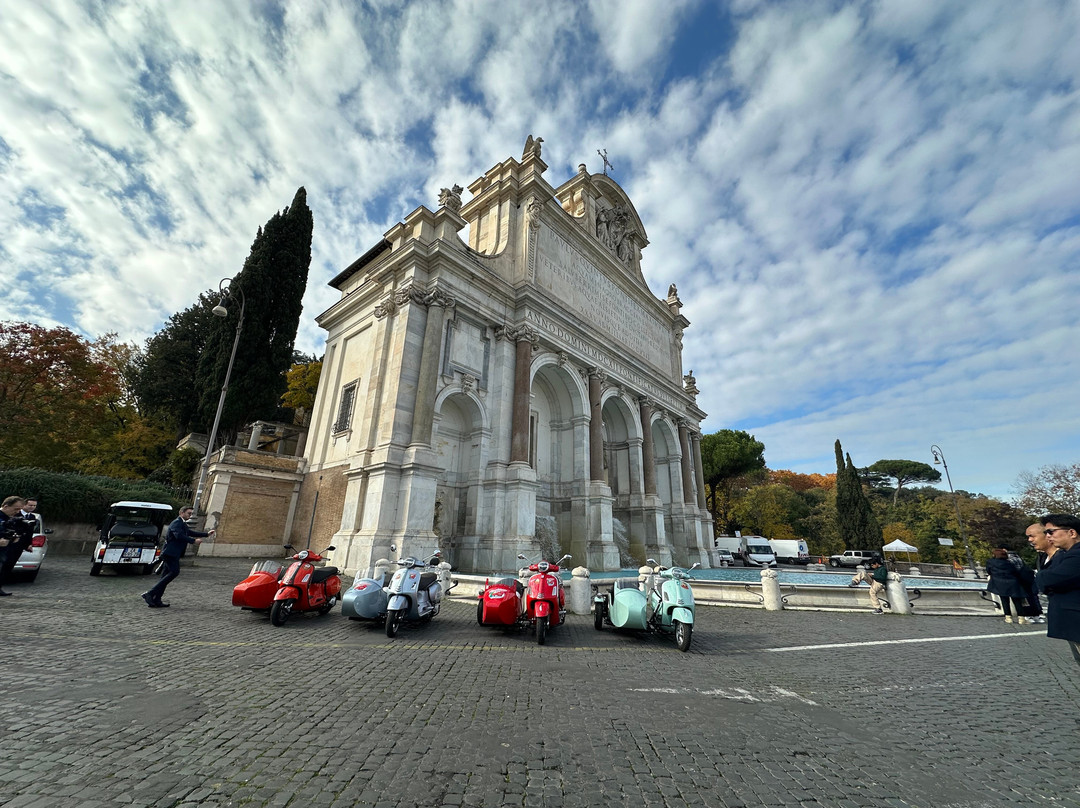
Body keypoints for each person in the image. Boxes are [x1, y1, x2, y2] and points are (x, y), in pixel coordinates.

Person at [140, 506, 214, 608]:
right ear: (181, 513)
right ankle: (150, 593)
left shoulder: (182, 523)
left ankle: (156, 599)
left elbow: (190, 532)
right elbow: (178, 535)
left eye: (191, 514)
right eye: (189, 513)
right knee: (174, 572)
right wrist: (193, 541)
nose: (190, 515)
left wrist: (206, 534)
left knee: (165, 577)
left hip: (173, 553)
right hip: (170, 553)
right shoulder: (176, 523)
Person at [1034, 514, 1080, 667]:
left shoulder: (1077, 555)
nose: (1048, 536)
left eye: (1051, 532)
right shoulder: (1065, 555)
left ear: (1072, 533)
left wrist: (1042, 578)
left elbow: (1049, 579)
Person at [985, 547, 1030, 624]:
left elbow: (989, 571)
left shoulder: (990, 562)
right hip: (1012, 582)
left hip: (999, 583)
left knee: (1004, 600)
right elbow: (1015, 572)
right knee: (1017, 601)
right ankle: (1021, 618)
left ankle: (1008, 617)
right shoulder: (1009, 563)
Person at [0, 496, 28, 597]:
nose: (17, 512)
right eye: (16, 509)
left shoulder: (10, 519)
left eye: (20, 509)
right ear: (6, 506)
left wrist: (13, 538)